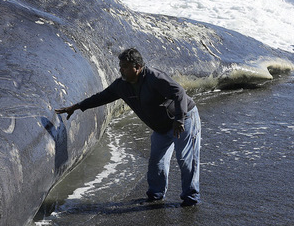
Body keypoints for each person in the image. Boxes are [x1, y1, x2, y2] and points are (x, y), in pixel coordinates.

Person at [55, 48, 201, 206]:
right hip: (161, 127)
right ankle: (155, 196)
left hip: (183, 119)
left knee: (186, 159)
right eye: (120, 66)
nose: (121, 70)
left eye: (124, 66)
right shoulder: (122, 85)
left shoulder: (154, 77)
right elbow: (102, 97)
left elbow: (179, 92)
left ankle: (191, 198)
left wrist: (179, 119)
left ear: (137, 67)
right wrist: (76, 107)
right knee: (156, 162)